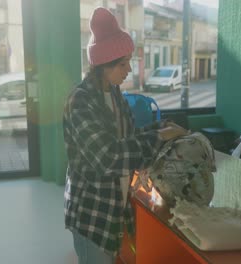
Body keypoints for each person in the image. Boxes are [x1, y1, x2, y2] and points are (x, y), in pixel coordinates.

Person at [63, 7, 189, 264]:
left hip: (115, 208)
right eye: (123, 63)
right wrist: (160, 137)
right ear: (102, 65)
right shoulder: (81, 101)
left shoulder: (115, 95)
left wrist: (159, 127)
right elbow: (108, 157)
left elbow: (127, 140)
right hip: (92, 214)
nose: (129, 69)